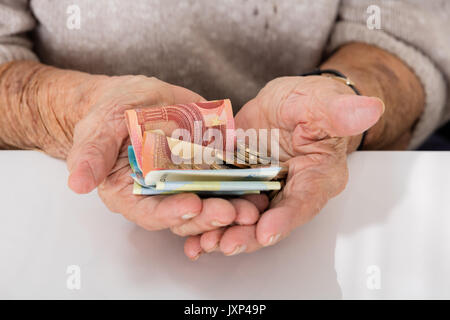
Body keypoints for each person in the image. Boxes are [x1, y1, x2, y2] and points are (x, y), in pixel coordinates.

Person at [0, 0, 448, 260]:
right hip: (57, 212)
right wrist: (63, 110)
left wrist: (338, 100)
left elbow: (404, 31)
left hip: (333, 219)